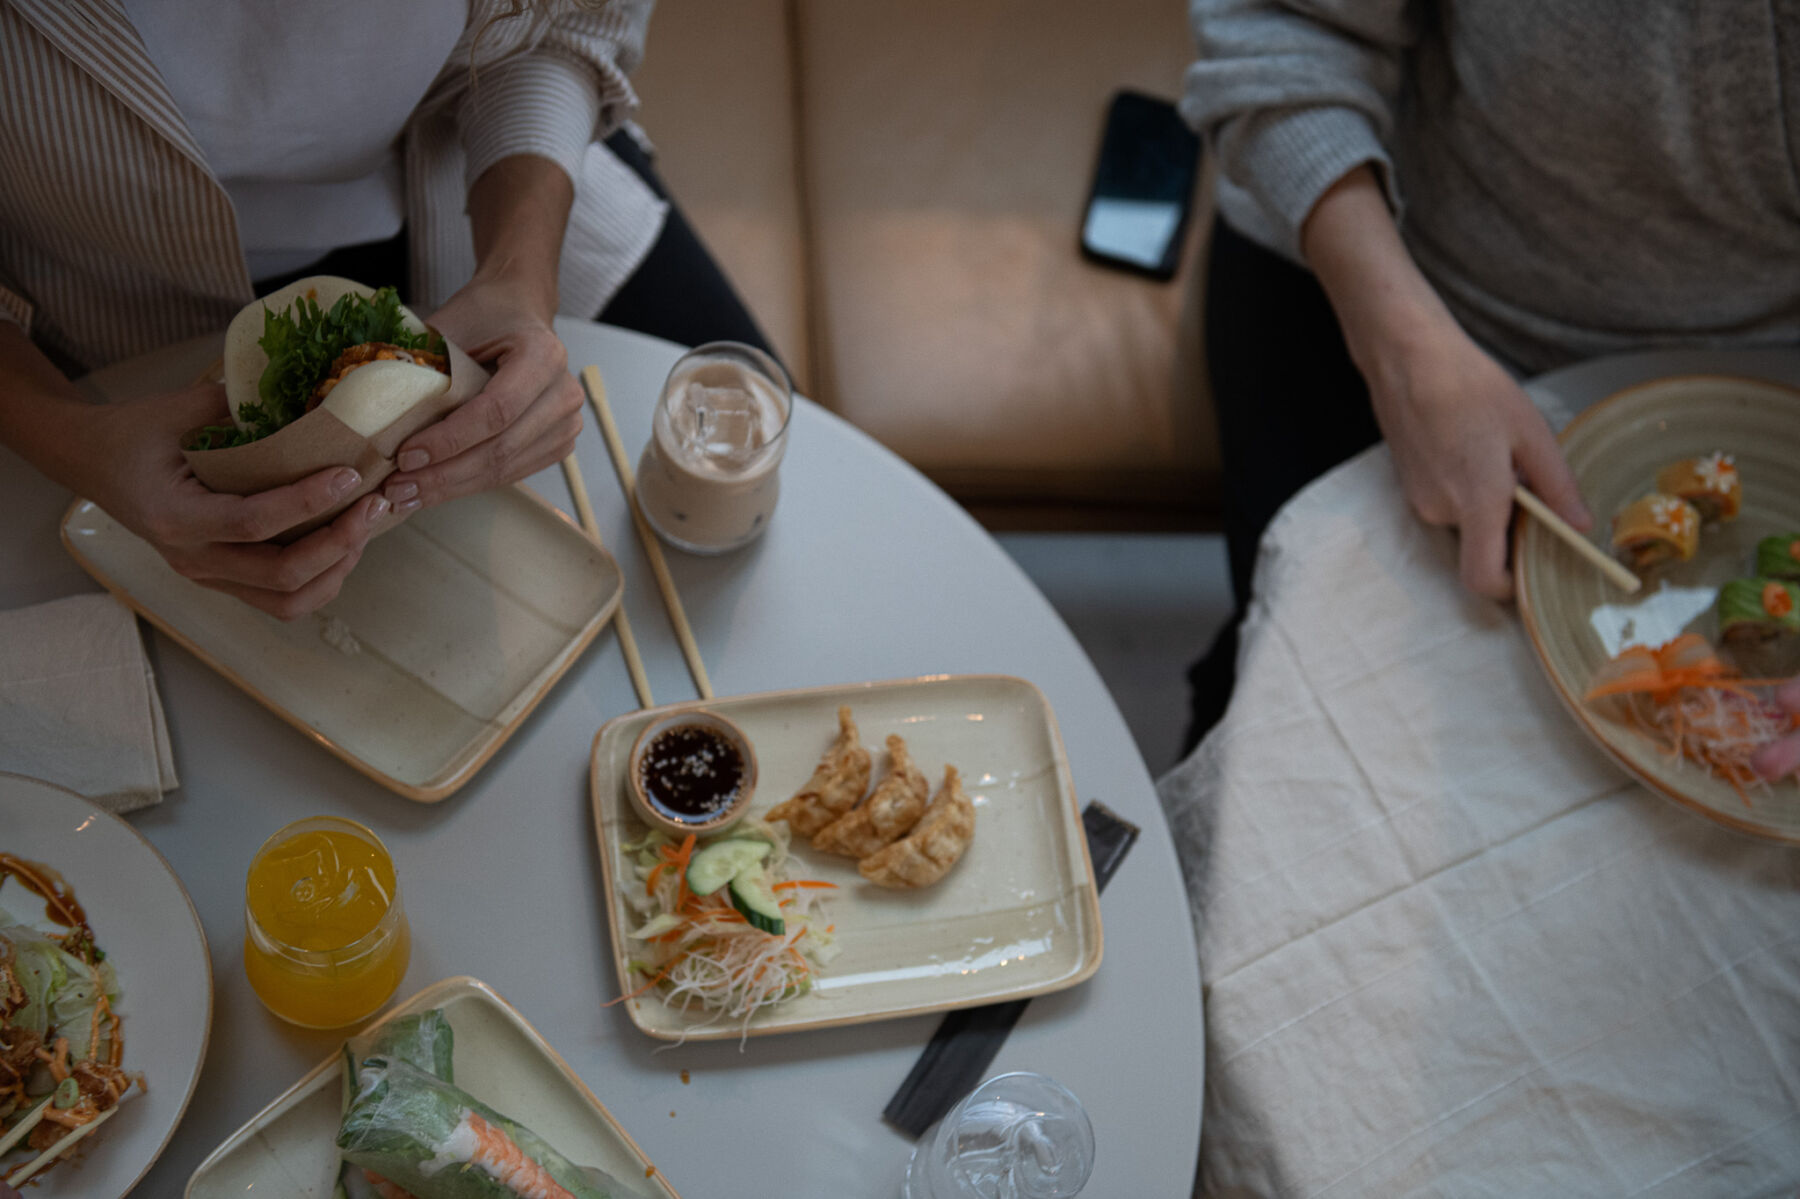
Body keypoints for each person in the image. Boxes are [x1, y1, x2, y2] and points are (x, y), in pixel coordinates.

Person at [1177, 0, 1800, 774]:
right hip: (1391, 282)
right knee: (1295, 704)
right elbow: (1277, 29)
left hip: (1770, 367)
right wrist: (1401, 351)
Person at [0, 0, 771, 620]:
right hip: (82, 310)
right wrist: (69, 437)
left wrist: (520, 278)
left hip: (476, 194)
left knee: (761, 455)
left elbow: (561, 24)